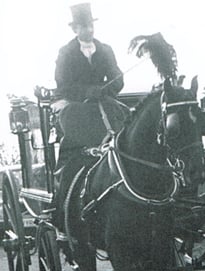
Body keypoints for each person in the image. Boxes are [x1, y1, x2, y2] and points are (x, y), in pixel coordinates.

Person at [52, 3, 124, 234]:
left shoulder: (105, 50)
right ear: (75, 29)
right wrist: (86, 92)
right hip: (75, 108)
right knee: (72, 143)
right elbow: (63, 85)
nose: (88, 30)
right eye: (83, 26)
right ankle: (63, 201)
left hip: (103, 104)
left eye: (90, 25)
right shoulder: (65, 52)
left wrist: (108, 86)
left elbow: (117, 79)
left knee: (125, 125)